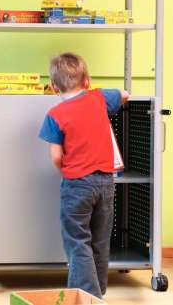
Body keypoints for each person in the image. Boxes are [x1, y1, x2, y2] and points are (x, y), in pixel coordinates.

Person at [39, 52, 129, 298]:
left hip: (77, 184)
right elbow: (124, 94)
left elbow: (56, 155)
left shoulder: (55, 114)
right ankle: (97, 295)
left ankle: (86, 297)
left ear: (54, 86)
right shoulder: (99, 98)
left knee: (78, 242)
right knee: (100, 242)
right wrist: (96, 92)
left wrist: (67, 171)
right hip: (106, 182)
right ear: (87, 81)